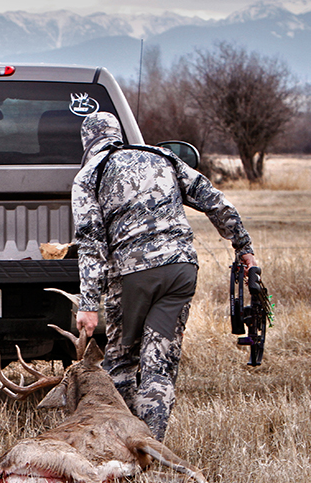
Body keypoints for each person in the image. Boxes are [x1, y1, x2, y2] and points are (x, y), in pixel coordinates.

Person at [71, 112, 256, 441]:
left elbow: (91, 244)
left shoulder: (89, 175)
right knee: (159, 365)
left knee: (121, 363)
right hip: (180, 270)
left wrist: (88, 302)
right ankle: (153, 448)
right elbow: (214, 200)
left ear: (87, 143)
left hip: (131, 278)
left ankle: (126, 446)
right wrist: (243, 246)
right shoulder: (162, 156)